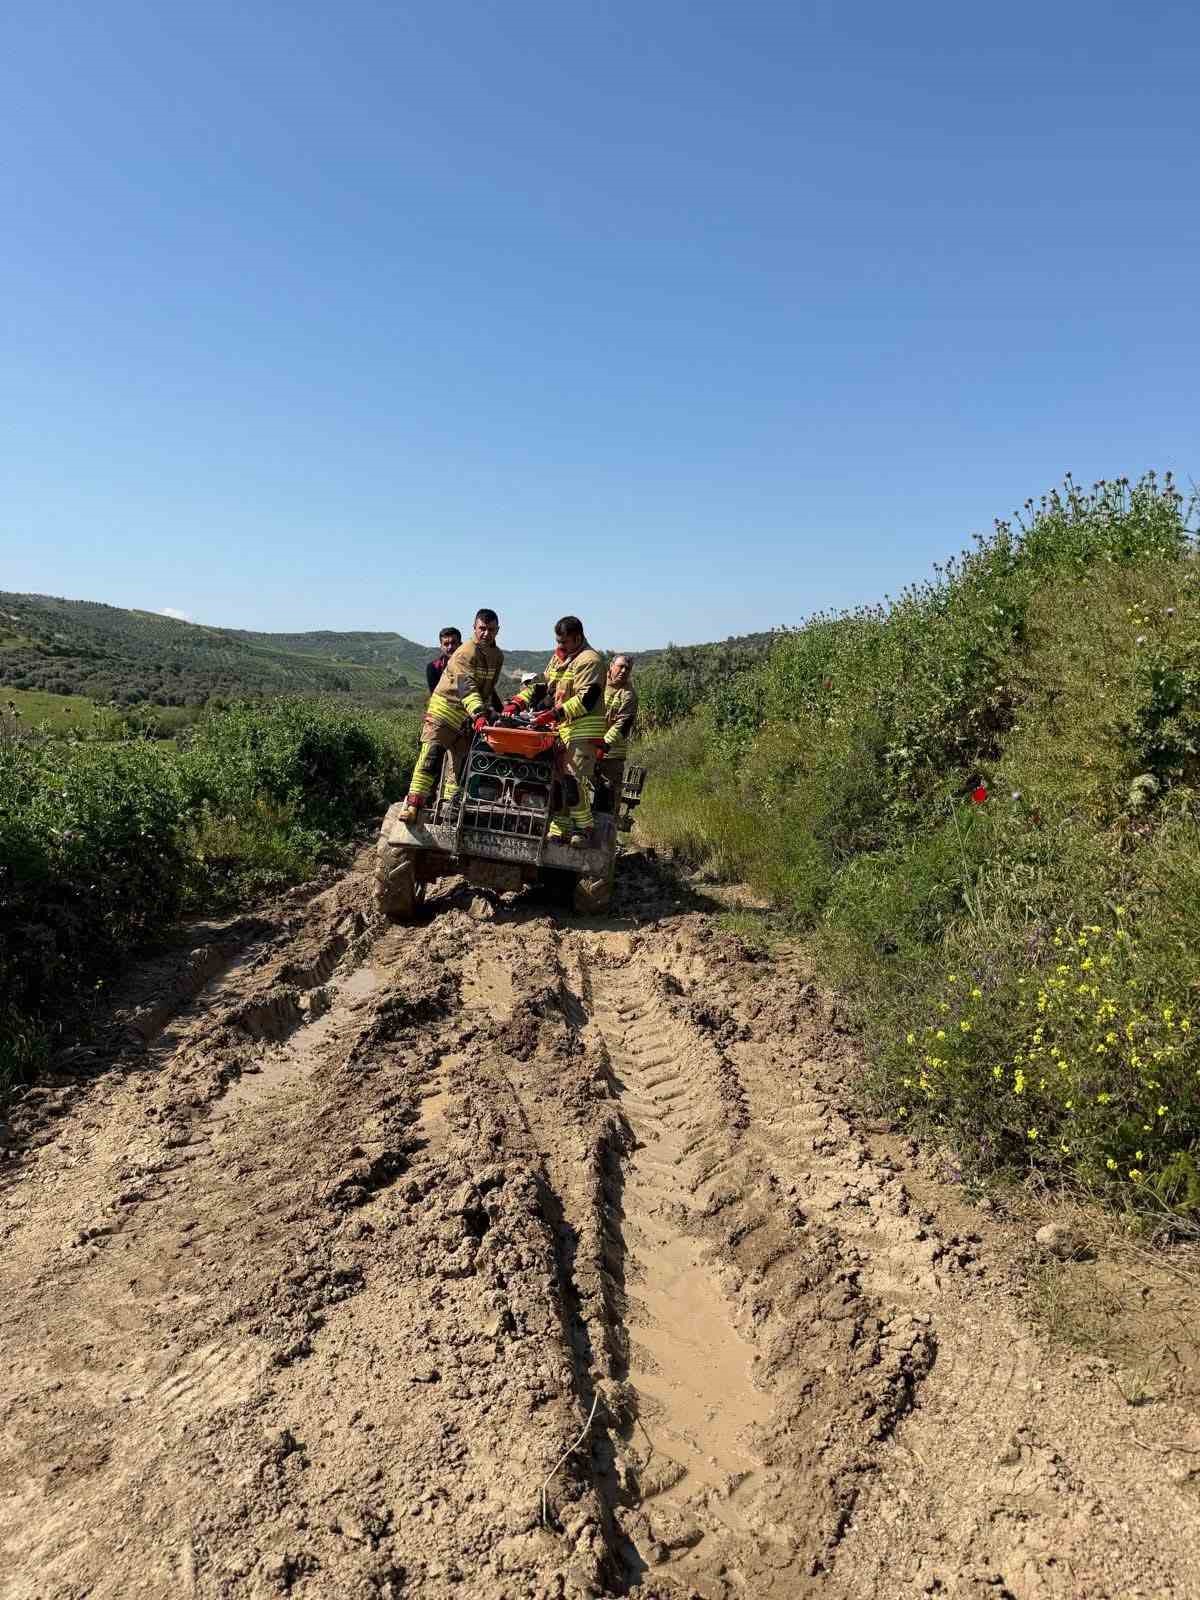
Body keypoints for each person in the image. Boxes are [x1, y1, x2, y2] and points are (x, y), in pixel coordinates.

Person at [502, 615, 604, 847]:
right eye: (557, 641)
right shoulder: (563, 658)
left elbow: (586, 700)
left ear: (577, 638)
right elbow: (545, 687)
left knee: (572, 780)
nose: (558, 646)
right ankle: (560, 829)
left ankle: (584, 829)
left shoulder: (590, 661)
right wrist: (518, 701)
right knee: (558, 782)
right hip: (563, 730)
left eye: (563, 642)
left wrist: (552, 714)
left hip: (583, 731)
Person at [400, 610, 503, 822]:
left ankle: (449, 810)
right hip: (445, 711)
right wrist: (479, 714)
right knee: (431, 757)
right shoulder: (465, 652)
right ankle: (412, 807)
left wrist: (495, 711)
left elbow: (487, 689)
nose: (486, 633)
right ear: (474, 628)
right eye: (482, 628)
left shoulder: (498, 656)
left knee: (459, 767)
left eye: (490, 629)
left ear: (497, 630)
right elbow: (467, 687)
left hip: (467, 717)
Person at [597, 654, 637, 812]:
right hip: (587, 748)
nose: (624, 671)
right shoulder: (598, 684)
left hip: (611, 755)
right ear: (611, 666)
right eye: (621, 666)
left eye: (627, 668)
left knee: (608, 796)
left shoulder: (629, 695)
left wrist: (602, 747)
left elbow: (622, 726)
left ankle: (606, 831)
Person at [425, 627, 462, 694]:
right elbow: (435, 694)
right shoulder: (433, 667)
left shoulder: (470, 664)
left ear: (460, 644)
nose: (450, 647)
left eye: (453, 643)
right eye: (446, 644)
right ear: (441, 647)